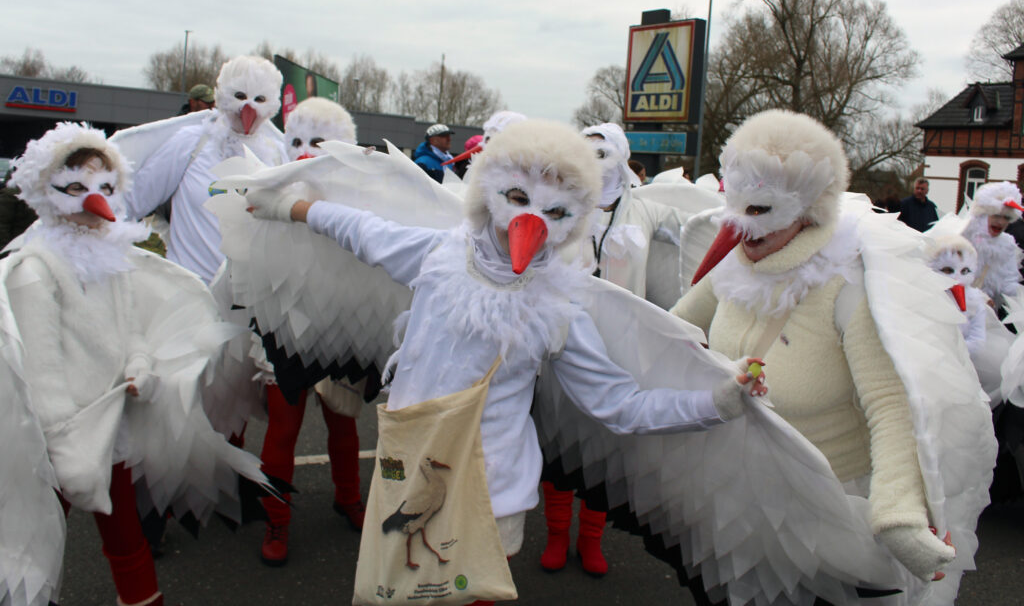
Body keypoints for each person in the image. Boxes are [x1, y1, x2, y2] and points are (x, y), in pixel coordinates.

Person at [244, 119, 764, 606]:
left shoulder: (560, 307)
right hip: (408, 462)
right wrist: (288, 207)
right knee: (396, 589)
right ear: (490, 192)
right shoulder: (441, 254)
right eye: (517, 198)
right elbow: (362, 230)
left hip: (492, 494)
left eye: (555, 212)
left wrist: (718, 399)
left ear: (575, 220)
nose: (530, 219)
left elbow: (618, 403)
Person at [671, 110, 980, 603]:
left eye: (761, 211)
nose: (741, 228)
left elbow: (890, 404)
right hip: (737, 495)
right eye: (735, 206)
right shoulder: (732, 266)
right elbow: (674, 331)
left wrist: (897, 513)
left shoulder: (848, 288)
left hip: (824, 510)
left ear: (807, 211)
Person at [0, 122, 270, 606]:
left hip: (111, 424)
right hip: (53, 437)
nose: (95, 200)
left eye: (105, 187)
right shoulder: (34, 269)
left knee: (127, 540)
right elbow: (40, 371)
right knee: (29, 543)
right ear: (47, 190)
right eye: (77, 188)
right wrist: (64, 442)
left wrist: (140, 365)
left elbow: (132, 329)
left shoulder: (112, 256)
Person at [539, 122, 692, 577]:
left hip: (623, 345)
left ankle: (591, 538)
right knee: (558, 435)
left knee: (608, 442)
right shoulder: (559, 208)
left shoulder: (646, 208)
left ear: (623, 156)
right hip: (565, 341)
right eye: (586, 153)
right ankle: (554, 535)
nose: (595, 162)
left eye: (604, 153)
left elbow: (703, 233)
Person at [259, 96, 365, 566]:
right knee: (283, 428)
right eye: (296, 141)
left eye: (318, 143)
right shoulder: (264, 196)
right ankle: (275, 520)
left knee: (343, 421)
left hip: (338, 326)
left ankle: (349, 498)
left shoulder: (362, 203)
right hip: (282, 329)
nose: (304, 151)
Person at [121, 55, 288, 284]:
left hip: (251, 309)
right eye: (239, 96)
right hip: (189, 297)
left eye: (259, 99)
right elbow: (132, 201)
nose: (248, 108)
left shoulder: (279, 154)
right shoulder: (191, 143)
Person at [960, 181, 1024, 308]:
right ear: (984, 214)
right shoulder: (963, 236)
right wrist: (977, 297)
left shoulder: (1007, 244)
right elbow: (950, 277)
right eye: (996, 216)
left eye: (1006, 218)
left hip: (986, 314)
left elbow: (1008, 283)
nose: (1001, 222)